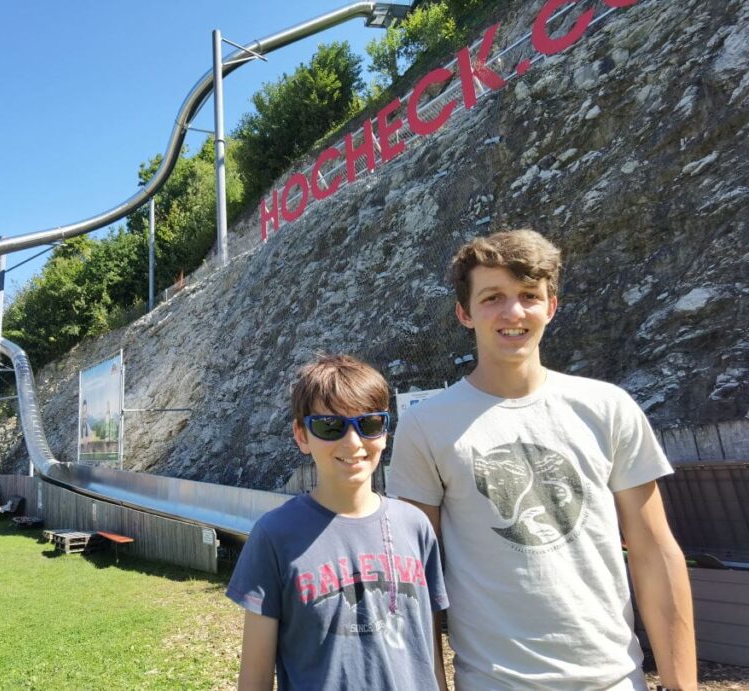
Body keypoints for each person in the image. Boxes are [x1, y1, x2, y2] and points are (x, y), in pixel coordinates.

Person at [388, 229, 696, 690]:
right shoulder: (426, 426)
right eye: (492, 297)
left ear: (550, 307)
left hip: (615, 680)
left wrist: (681, 685)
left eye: (529, 295)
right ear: (464, 313)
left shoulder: (608, 407)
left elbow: (655, 552)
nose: (513, 312)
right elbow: (418, 576)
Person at [228, 354, 449, 690]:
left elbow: (429, 653)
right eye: (330, 426)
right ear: (302, 435)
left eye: (369, 423)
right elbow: (255, 678)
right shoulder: (273, 536)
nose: (353, 442)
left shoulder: (416, 526)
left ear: (385, 431)